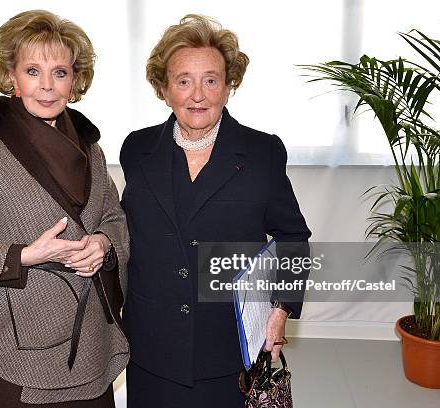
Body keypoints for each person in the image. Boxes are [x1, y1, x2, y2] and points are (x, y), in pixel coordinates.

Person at [0, 10, 129, 408]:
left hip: (92, 346)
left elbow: (114, 218)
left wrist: (102, 243)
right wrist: (24, 255)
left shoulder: (91, 149)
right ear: (11, 76)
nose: (47, 86)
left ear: (75, 79)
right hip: (19, 348)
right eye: (33, 70)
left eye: (60, 72)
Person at [120, 14, 311, 407]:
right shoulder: (136, 150)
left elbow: (293, 237)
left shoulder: (263, 153)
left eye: (211, 80)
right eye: (183, 81)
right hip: (152, 345)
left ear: (228, 85)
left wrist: (280, 310)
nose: (197, 95)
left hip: (228, 349)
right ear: (164, 88)